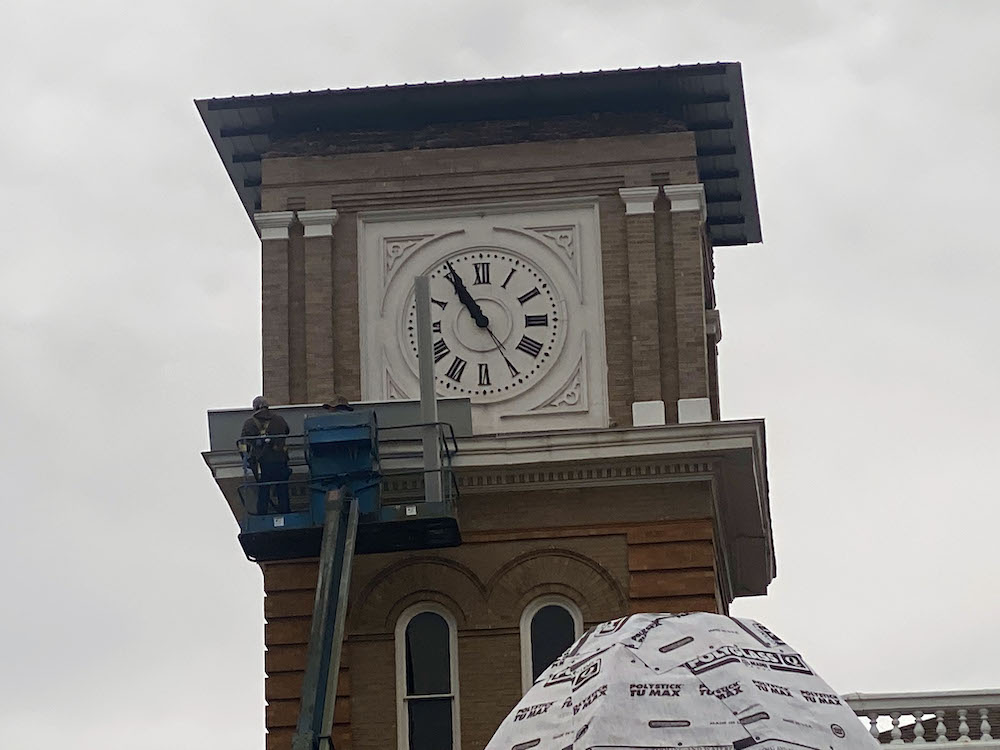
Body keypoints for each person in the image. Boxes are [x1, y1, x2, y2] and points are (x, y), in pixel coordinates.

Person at [240, 396, 291, 514]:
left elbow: (243, 443)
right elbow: (287, 431)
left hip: (263, 462)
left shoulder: (249, 423)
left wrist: (246, 459)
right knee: (282, 487)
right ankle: (285, 510)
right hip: (281, 460)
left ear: (256, 407)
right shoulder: (279, 419)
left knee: (264, 488)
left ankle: (262, 512)